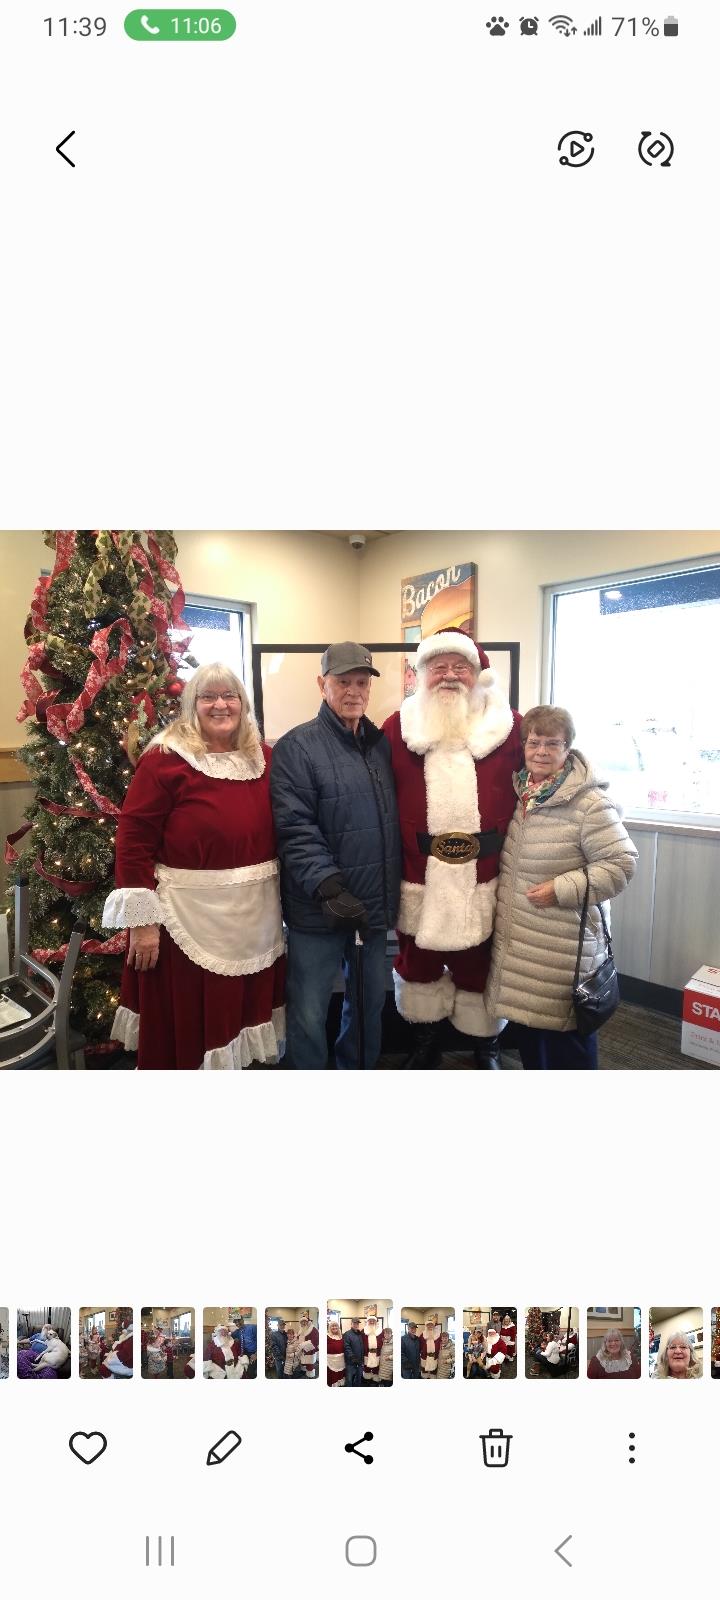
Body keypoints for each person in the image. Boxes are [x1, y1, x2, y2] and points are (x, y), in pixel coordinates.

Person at [102, 663, 286, 1070]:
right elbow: (133, 839)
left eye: (229, 696)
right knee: (188, 1021)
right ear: (192, 705)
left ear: (243, 704)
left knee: (240, 1015)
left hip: (254, 916)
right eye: (208, 697)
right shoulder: (165, 760)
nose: (220, 705)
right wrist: (143, 922)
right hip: (187, 917)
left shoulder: (264, 757)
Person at [382, 631, 523, 1068]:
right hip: (417, 872)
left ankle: (486, 1045)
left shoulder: (511, 727)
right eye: (438, 667)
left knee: (481, 964)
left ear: (478, 675)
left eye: (459, 667)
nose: (449, 676)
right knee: (417, 962)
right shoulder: (397, 726)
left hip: (487, 872)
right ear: (420, 675)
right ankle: (424, 1040)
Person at [270, 643, 401, 1069]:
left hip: (373, 909)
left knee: (366, 1007)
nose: (354, 691)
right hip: (318, 909)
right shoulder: (297, 747)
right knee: (308, 1010)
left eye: (361, 683)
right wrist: (329, 888)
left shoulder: (381, 745)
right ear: (321, 684)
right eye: (342, 682)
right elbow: (294, 826)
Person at [485, 705, 638, 1069]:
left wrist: (562, 888)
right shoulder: (522, 793)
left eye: (552, 743)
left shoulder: (588, 802)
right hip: (522, 943)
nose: (541, 751)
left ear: (568, 748)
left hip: (563, 947)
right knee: (532, 1038)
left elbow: (621, 864)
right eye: (534, 742)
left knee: (567, 1042)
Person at [362, 1314, 384, 1385]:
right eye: (370, 1320)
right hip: (367, 1353)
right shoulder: (363, 1331)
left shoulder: (381, 1331)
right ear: (368, 1322)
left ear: (376, 1322)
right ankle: (367, 1379)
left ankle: (375, 1380)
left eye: (373, 1320)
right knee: (367, 1367)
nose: (371, 1322)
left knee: (376, 1367)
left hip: (377, 1353)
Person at [343, 1317, 365, 1387]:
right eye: (354, 1323)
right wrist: (353, 1358)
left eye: (357, 1323)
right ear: (351, 1324)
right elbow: (347, 1347)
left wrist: (361, 1360)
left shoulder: (359, 1334)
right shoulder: (347, 1334)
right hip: (351, 1362)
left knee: (358, 1379)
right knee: (349, 1380)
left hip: (360, 1361)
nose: (356, 1325)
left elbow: (361, 1347)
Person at [296, 1312, 319, 1378]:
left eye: (305, 1321)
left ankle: (310, 1375)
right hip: (302, 1350)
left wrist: (304, 1344)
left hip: (309, 1350)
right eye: (302, 1322)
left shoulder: (313, 1329)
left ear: (308, 1322)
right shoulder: (301, 1329)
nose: (303, 1323)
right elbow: (298, 1337)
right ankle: (304, 1371)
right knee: (303, 1362)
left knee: (309, 1364)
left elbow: (315, 1340)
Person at [327, 1319, 346, 1386]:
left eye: (336, 1326)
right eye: (332, 1326)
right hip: (331, 1360)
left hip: (341, 1360)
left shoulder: (341, 1336)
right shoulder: (327, 1336)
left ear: (338, 1327)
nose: (334, 1327)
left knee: (340, 1373)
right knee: (333, 1374)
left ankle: (340, 1383)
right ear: (330, 1327)